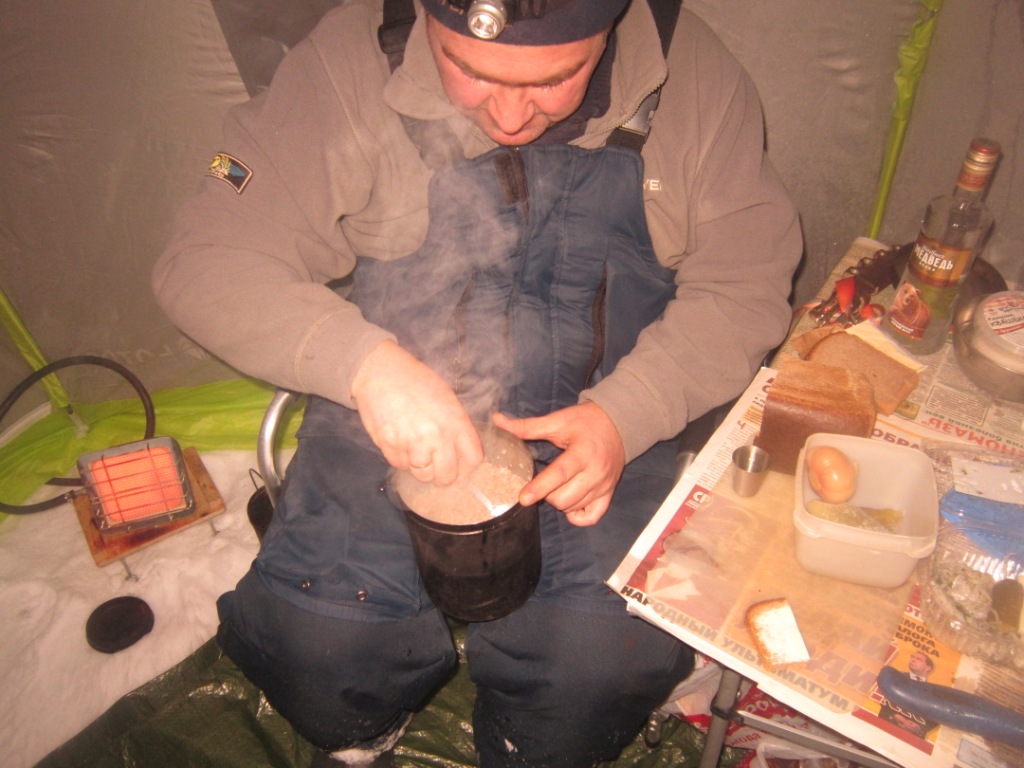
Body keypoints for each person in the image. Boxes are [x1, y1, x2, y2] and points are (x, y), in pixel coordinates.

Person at [153, 0, 802, 765]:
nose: (510, 117)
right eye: (469, 71)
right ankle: (367, 723)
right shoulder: (346, 62)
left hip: (603, 421)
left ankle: (522, 743)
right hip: (391, 412)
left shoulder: (690, 75)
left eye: (554, 79)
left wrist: (628, 414)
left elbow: (747, 283)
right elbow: (207, 249)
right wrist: (363, 365)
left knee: (594, 673)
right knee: (317, 647)